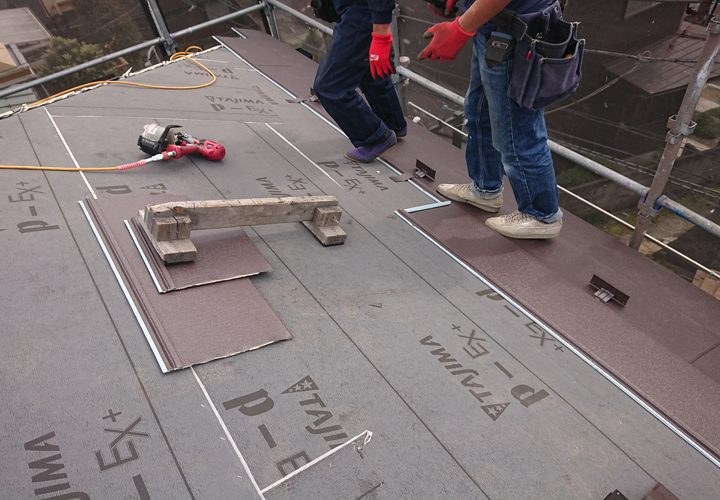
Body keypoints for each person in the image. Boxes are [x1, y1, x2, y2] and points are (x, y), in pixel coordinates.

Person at [419, 0, 563, 239]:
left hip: (514, 31)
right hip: (493, 27)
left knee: (516, 128)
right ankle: (485, 188)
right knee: (479, 111)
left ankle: (541, 215)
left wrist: (460, 28)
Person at [313, 0, 408, 163]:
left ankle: (375, 138)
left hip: (360, 12)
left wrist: (381, 33)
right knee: (369, 72)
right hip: (355, 11)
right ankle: (393, 123)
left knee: (330, 87)